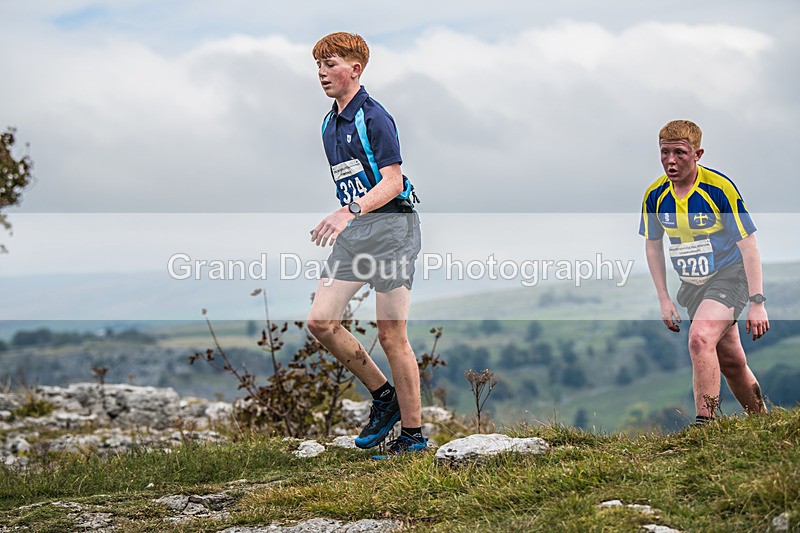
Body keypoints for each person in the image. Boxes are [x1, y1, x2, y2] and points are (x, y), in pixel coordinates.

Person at [306, 32, 426, 454]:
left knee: (392, 334)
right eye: (318, 64)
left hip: (393, 229)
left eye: (331, 63)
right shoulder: (327, 123)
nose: (322, 72)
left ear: (355, 69)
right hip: (357, 233)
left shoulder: (374, 116)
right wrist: (351, 216)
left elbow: (392, 181)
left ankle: (413, 436)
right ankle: (383, 397)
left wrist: (348, 211)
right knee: (321, 322)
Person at [639, 119, 769, 424]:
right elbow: (653, 245)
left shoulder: (718, 188)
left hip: (730, 276)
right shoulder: (655, 195)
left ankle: (704, 427)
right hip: (694, 286)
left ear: (697, 154)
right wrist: (663, 297)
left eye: (680, 153)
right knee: (732, 362)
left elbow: (748, 245)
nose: (671, 160)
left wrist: (757, 301)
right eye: (665, 152)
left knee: (699, 338)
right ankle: (763, 422)